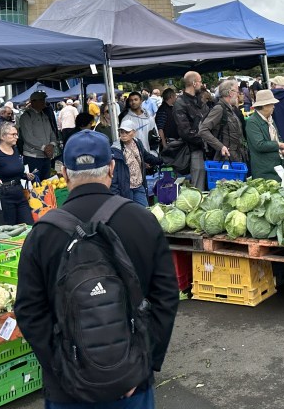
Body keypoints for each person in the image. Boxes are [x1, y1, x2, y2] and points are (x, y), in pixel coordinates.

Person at [15, 130, 179, 408]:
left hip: (68, 391)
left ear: (64, 173)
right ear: (112, 168)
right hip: (132, 384)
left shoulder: (43, 233)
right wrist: (144, 361)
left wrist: (62, 369)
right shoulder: (142, 220)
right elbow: (166, 296)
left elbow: (29, 311)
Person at [0, 122, 34, 225]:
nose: (17, 137)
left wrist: (25, 176)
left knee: (29, 224)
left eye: (17, 134)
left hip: (19, 193)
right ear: (2, 136)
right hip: (3, 196)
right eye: (13, 134)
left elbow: (15, 172)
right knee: (10, 228)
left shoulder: (15, 150)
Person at [245, 90, 284, 181]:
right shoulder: (252, 122)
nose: (274, 107)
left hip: (276, 167)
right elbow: (259, 145)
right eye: (271, 104)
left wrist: (282, 151)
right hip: (264, 170)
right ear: (264, 106)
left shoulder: (270, 119)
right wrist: (280, 145)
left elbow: (276, 138)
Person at [198, 79, 248, 162]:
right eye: (237, 91)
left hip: (234, 157)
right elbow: (203, 130)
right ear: (230, 93)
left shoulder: (229, 108)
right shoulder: (219, 109)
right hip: (226, 158)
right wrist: (220, 146)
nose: (238, 95)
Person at [174, 71, 208, 189]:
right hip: (193, 150)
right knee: (198, 186)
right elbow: (185, 132)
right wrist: (205, 140)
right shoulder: (180, 103)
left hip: (205, 149)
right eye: (200, 81)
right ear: (194, 83)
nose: (202, 84)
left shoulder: (198, 100)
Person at [115, 118, 159, 206]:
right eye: (121, 132)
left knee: (145, 210)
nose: (123, 134)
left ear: (134, 132)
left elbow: (146, 156)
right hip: (126, 189)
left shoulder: (137, 142)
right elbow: (114, 174)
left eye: (127, 132)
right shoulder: (116, 149)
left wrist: (161, 160)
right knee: (131, 212)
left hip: (139, 186)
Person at [18, 90, 59, 181]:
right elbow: (28, 137)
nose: (44, 102)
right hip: (33, 157)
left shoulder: (44, 115)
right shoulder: (26, 116)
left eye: (43, 99)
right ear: (33, 102)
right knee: (35, 184)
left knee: (46, 183)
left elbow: (52, 133)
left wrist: (52, 144)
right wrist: (45, 148)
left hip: (46, 156)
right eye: (41, 100)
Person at [120, 92, 156, 157]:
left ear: (141, 101)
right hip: (134, 156)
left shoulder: (149, 118)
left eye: (136, 99)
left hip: (150, 155)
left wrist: (154, 153)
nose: (133, 102)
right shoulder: (126, 119)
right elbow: (124, 140)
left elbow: (155, 136)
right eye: (131, 100)